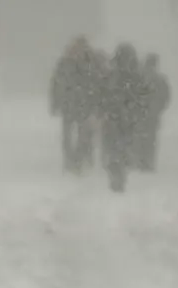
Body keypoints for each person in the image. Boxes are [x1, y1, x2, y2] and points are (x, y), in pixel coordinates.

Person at [50, 36, 105, 174]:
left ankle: (78, 159)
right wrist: (55, 102)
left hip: (83, 104)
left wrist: (98, 103)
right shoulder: (66, 63)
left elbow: (98, 83)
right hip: (71, 104)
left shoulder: (90, 63)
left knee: (83, 134)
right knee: (68, 135)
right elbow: (56, 84)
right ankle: (71, 159)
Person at [101, 43, 151, 192]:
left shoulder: (114, 75)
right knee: (120, 148)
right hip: (122, 118)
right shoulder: (133, 76)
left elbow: (101, 94)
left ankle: (117, 174)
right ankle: (118, 174)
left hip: (118, 118)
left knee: (116, 149)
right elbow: (144, 97)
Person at [135, 53, 171, 172]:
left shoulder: (139, 77)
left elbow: (165, 97)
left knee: (142, 137)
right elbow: (166, 97)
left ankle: (142, 160)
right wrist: (158, 108)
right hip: (151, 114)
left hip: (143, 114)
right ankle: (147, 161)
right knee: (150, 138)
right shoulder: (159, 80)